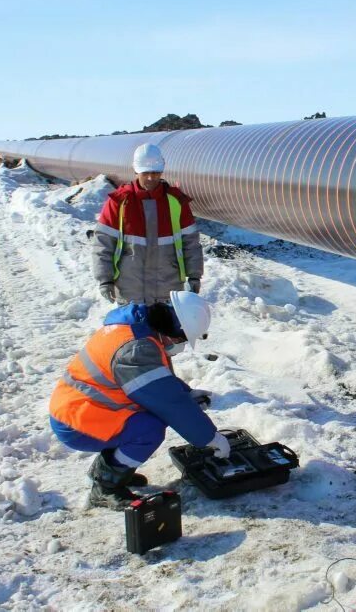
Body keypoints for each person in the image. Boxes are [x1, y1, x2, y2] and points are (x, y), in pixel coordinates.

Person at [48, 291, 230, 509]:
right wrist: (209, 437)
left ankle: (112, 469)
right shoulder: (136, 350)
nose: (179, 345)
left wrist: (186, 393)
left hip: (81, 410)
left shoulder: (135, 329)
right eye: (181, 339)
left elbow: (157, 381)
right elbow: (168, 403)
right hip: (78, 422)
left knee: (144, 420)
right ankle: (106, 486)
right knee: (149, 429)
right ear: (174, 330)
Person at [93, 143, 204, 305]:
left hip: (168, 290)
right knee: (134, 330)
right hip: (131, 290)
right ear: (136, 171)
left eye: (155, 172)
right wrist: (105, 279)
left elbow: (191, 243)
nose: (151, 178)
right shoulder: (120, 202)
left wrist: (194, 275)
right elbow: (103, 243)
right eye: (146, 173)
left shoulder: (176, 201)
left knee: (166, 330)